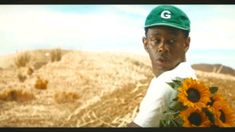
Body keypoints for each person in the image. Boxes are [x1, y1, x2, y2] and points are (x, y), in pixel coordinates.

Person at [127, 5, 197, 127]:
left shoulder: (171, 81)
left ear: (186, 43)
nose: (162, 48)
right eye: (156, 40)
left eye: (171, 41)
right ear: (146, 43)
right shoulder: (186, 73)